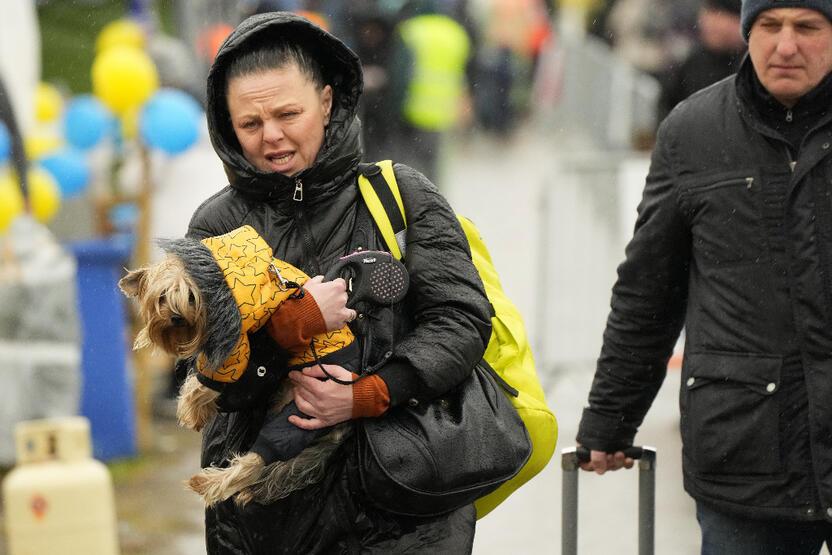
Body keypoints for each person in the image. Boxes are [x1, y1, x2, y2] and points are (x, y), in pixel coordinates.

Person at [186, 11, 492, 553]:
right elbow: (216, 385)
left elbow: (461, 321)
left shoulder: (401, 195)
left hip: (404, 511)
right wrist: (289, 328)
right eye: (250, 124)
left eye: (289, 114)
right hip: (268, 521)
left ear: (327, 102)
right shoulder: (216, 228)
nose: (272, 136)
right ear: (226, 124)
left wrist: (371, 394)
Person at [576, 0, 832, 552]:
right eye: (769, 26)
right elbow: (649, 289)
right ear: (748, 32)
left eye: (808, 28)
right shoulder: (692, 132)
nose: (786, 45)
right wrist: (610, 418)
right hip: (747, 454)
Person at [658, 0, 746, 122]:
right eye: (709, 12)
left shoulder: (751, 66)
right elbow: (668, 113)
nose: (711, 22)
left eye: (721, 15)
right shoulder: (692, 63)